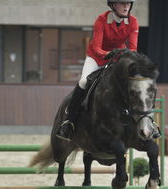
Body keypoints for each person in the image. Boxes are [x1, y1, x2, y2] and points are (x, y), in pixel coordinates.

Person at [56, 0, 139, 141]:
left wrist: (122, 57)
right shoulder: (101, 20)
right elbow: (96, 47)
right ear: (112, 5)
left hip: (117, 57)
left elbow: (132, 49)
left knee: (131, 82)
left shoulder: (133, 22)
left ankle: (139, 120)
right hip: (96, 58)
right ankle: (69, 121)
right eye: (122, 3)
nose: (126, 6)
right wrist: (107, 54)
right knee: (83, 81)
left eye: (128, 3)